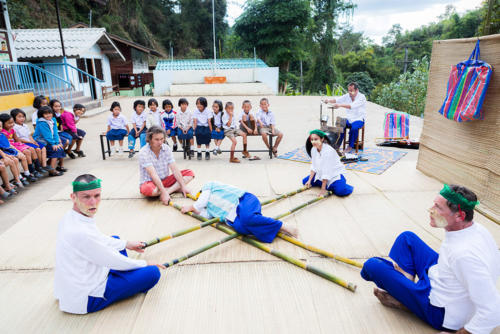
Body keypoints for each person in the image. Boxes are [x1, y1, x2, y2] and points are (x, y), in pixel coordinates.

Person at [361, 184, 500, 334]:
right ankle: (407, 295)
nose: (430, 209)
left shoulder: (464, 255)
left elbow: (493, 309)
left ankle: (408, 299)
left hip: (442, 311)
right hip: (445, 279)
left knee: (371, 266)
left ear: (460, 216)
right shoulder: (476, 229)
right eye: (434, 204)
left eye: (438, 207)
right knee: (407, 238)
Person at [54, 174, 165, 314]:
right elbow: (112, 260)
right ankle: (127, 278)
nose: (93, 202)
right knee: (152, 273)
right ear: (73, 197)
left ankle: (124, 274)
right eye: (86, 197)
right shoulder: (81, 233)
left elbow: (99, 239)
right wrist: (145, 263)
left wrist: (127, 244)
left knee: (116, 240)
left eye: (97, 195)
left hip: (78, 282)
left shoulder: (70, 217)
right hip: (87, 297)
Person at [182, 181, 298, 243]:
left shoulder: (209, 186)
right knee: (241, 228)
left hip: (243, 200)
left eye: (199, 196)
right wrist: (195, 210)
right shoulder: (208, 208)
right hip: (233, 218)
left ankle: (282, 225)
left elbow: (200, 202)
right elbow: (205, 215)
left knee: (247, 218)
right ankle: (275, 228)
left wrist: (191, 207)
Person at [138, 126, 194, 205]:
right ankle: (174, 188)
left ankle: (169, 190)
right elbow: (153, 174)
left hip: (165, 181)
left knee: (190, 173)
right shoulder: (143, 152)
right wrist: (164, 192)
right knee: (149, 190)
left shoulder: (166, 148)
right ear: (150, 140)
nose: (160, 142)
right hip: (150, 183)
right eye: (156, 139)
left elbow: (174, 169)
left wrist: (183, 186)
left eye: (162, 139)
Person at [302, 129, 353, 197]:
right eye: (312, 139)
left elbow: (327, 171)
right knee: (305, 181)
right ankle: (326, 185)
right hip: (321, 173)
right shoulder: (313, 149)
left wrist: (323, 189)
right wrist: (309, 180)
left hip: (334, 174)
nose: (313, 142)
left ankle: (336, 184)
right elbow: (313, 166)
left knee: (341, 191)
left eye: (316, 139)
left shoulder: (328, 151)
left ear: (322, 139)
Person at [325, 82, 367, 152]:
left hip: (359, 119)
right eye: (349, 90)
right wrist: (328, 100)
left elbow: (352, 106)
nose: (349, 92)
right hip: (349, 118)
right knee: (340, 123)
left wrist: (339, 105)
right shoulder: (347, 95)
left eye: (351, 91)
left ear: (357, 90)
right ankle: (337, 145)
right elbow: (337, 100)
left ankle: (350, 146)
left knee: (354, 128)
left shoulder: (362, 97)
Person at [0, 113, 41, 181]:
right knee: (26, 152)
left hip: (15, 145)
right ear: (3, 124)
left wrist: (22, 144)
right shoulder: (3, 133)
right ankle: (29, 171)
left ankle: (33, 169)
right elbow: (6, 145)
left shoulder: (12, 130)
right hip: (9, 148)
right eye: (9, 123)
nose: (12, 124)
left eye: (12, 122)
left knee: (31, 149)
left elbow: (17, 139)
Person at [11, 108, 49, 173]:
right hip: (24, 143)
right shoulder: (14, 127)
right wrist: (30, 142)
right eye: (19, 117)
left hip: (30, 142)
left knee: (43, 148)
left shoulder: (25, 125)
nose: (22, 118)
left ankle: (43, 165)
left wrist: (33, 141)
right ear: (14, 118)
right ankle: (38, 166)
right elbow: (18, 139)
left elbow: (29, 135)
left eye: (23, 117)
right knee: (37, 149)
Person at [33, 106, 67, 176]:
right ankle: (52, 170)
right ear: (42, 115)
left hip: (49, 139)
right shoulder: (42, 122)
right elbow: (46, 135)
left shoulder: (53, 119)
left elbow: (55, 132)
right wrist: (53, 144)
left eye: (50, 113)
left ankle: (56, 166)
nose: (48, 115)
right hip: (41, 140)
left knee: (60, 147)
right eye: (45, 114)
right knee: (56, 150)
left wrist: (57, 142)